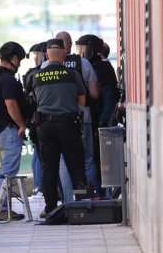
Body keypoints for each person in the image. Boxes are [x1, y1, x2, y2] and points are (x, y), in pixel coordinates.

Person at [33, 38, 87, 218]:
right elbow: (82, 99)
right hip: (67, 124)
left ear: (47, 54)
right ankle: (81, 206)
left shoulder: (37, 76)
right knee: (76, 165)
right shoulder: (72, 75)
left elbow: (34, 99)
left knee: (49, 168)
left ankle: (50, 208)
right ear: (64, 53)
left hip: (44, 126)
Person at [0, 41, 27, 221]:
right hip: (8, 130)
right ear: (14, 58)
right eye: (20, 60)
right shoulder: (7, 79)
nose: (20, 64)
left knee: (4, 169)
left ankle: (2, 207)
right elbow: (11, 105)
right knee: (8, 172)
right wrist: (21, 124)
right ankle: (1, 208)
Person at [55, 31, 101, 200]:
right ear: (70, 44)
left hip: (58, 119)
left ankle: (69, 202)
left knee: (64, 163)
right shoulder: (83, 63)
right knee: (87, 160)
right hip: (83, 117)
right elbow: (95, 94)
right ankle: (91, 198)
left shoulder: (46, 67)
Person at [76, 34, 120, 197]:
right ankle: (96, 191)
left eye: (83, 49)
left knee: (100, 159)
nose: (80, 53)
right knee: (91, 159)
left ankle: (102, 193)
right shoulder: (84, 66)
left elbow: (109, 97)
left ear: (92, 50)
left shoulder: (103, 68)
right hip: (89, 118)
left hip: (99, 119)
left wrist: (102, 123)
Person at [22, 42, 47, 196]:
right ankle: (39, 186)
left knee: (38, 154)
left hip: (33, 119)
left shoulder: (31, 74)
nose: (35, 58)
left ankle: (39, 186)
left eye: (37, 54)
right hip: (38, 118)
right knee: (39, 154)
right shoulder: (34, 74)